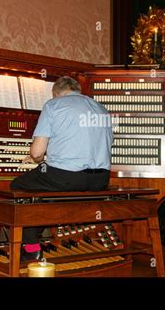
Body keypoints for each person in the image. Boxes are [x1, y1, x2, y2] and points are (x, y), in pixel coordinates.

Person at [10, 76, 113, 260]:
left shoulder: (53, 105)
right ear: (78, 91)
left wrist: (38, 158)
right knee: (46, 190)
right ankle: (40, 233)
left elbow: (36, 153)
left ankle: (31, 248)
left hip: (66, 177)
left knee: (19, 186)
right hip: (101, 180)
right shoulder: (101, 109)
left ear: (56, 93)